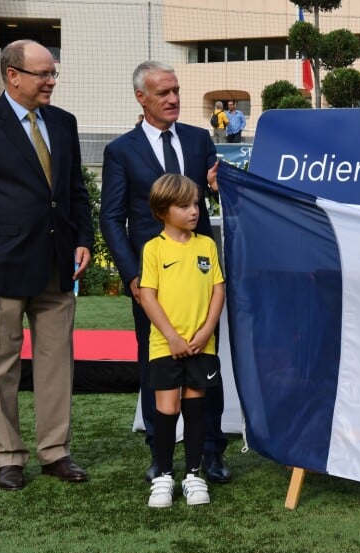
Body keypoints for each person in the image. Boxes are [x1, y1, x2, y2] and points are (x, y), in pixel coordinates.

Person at [0, 39, 94, 491]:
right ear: (13, 75)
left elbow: (76, 190)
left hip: (56, 267)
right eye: (43, 74)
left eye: (53, 74)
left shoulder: (64, 123)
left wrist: (84, 239)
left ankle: (55, 452)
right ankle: (8, 456)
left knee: (56, 364)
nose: (51, 81)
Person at [100, 60, 231, 485]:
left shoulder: (198, 140)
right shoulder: (120, 150)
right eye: (163, 93)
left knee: (205, 362)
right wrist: (134, 278)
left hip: (199, 278)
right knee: (155, 365)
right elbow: (111, 218)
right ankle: (160, 455)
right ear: (141, 97)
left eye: (175, 90)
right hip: (152, 284)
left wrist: (217, 186)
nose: (173, 99)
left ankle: (211, 452)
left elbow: (211, 201)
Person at [140, 173, 225, 508]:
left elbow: (218, 290)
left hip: (202, 347)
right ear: (163, 211)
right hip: (166, 347)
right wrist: (173, 337)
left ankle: (193, 475)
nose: (194, 211)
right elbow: (147, 296)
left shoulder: (206, 244)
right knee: (167, 409)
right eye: (184, 206)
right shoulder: (153, 249)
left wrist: (205, 333)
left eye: (195, 204)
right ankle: (163, 476)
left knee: (195, 408)